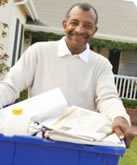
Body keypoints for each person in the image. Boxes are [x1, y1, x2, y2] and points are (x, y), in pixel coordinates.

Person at [0, 3, 131, 141]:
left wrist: (119, 117)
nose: (80, 29)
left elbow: (108, 98)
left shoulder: (101, 65)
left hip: (78, 141)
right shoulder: (39, 51)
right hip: (37, 137)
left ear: (94, 30)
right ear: (64, 24)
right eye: (74, 23)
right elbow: (11, 85)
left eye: (87, 25)